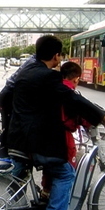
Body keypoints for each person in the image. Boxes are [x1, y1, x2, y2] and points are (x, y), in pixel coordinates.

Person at [6, 35, 105, 210]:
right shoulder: (48, 77)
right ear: (56, 56)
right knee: (66, 174)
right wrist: (103, 117)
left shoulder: (25, 72)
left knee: (17, 183)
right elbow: (72, 98)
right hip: (35, 141)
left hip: (17, 138)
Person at [40, 61, 90, 200]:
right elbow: (80, 114)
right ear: (76, 78)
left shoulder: (52, 87)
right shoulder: (69, 92)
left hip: (42, 137)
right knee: (67, 174)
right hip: (61, 138)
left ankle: (46, 192)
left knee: (50, 169)